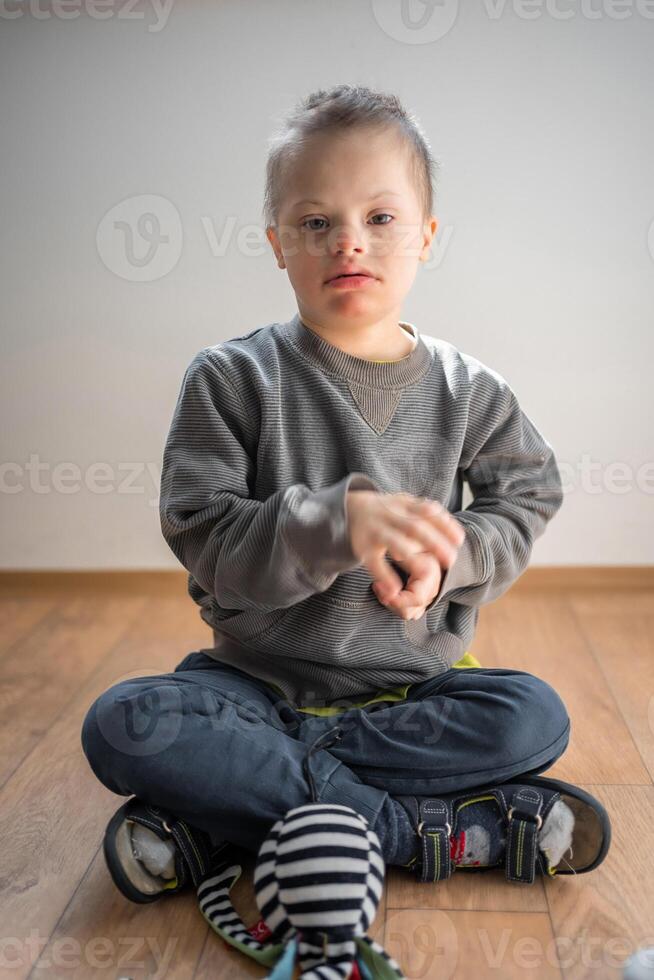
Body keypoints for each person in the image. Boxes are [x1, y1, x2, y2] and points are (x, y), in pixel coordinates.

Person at [81, 84, 611, 903]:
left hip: (411, 691)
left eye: (381, 219)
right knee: (123, 723)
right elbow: (208, 538)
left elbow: (527, 494)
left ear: (427, 236)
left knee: (533, 715)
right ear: (277, 244)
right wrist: (331, 527)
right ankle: (416, 829)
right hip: (253, 685)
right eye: (316, 222)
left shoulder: (470, 389)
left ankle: (220, 820)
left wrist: (453, 561)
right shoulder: (230, 378)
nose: (347, 243)